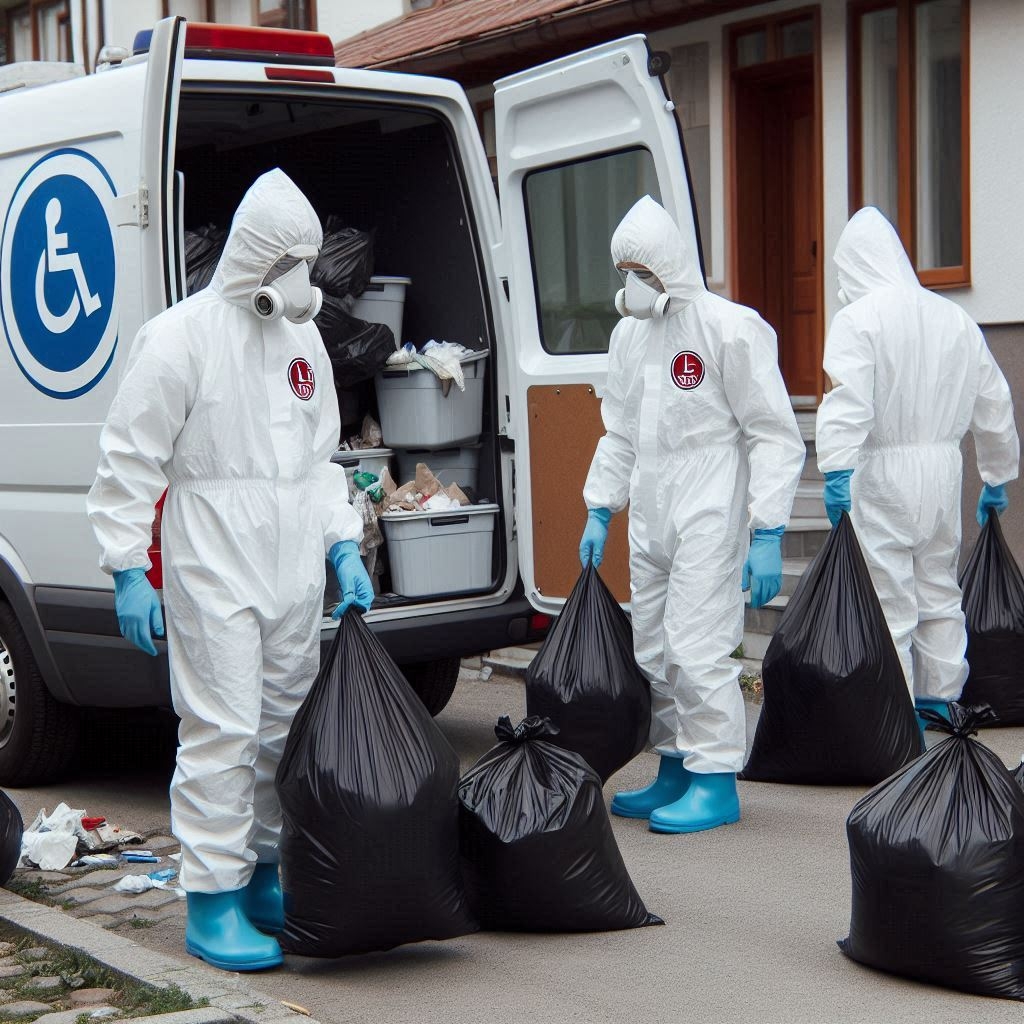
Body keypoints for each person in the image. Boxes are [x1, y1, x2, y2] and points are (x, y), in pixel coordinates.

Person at [87, 169, 374, 972]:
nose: (302, 278)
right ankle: (212, 899)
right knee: (222, 732)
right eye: (287, 259)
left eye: (306, 260)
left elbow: (321, 460)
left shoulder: (303, 340)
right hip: (213, 553)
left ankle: (265, 878)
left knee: (286, 728)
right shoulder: (180, 338)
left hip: (290, 561)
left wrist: (342, 543)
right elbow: (129, 458)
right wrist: (126, 570)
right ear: (253, 257)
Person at [580, 195, 804, 834]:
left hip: (710, 498)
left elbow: (772, 433)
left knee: (699, 642)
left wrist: (768, 529)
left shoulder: (730, 327)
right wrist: (601, 507)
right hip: (652, 504)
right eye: (625, 272)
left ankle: (715, 779)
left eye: (644, 274)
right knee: (652, 641)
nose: (633, 286)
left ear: (671, 269)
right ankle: (676, 763)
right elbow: (618, 431)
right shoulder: (629, 336)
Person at [816, 206, 1019, 730]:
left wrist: (836, 467)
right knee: (938, 589)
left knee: (889, 597)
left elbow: (847, 401)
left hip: (882, 471)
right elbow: (994, 404)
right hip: (942, 471)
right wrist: (996, 476)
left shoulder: (858, 320)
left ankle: (897, 718)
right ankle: (942, 703)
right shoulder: (954, 317)